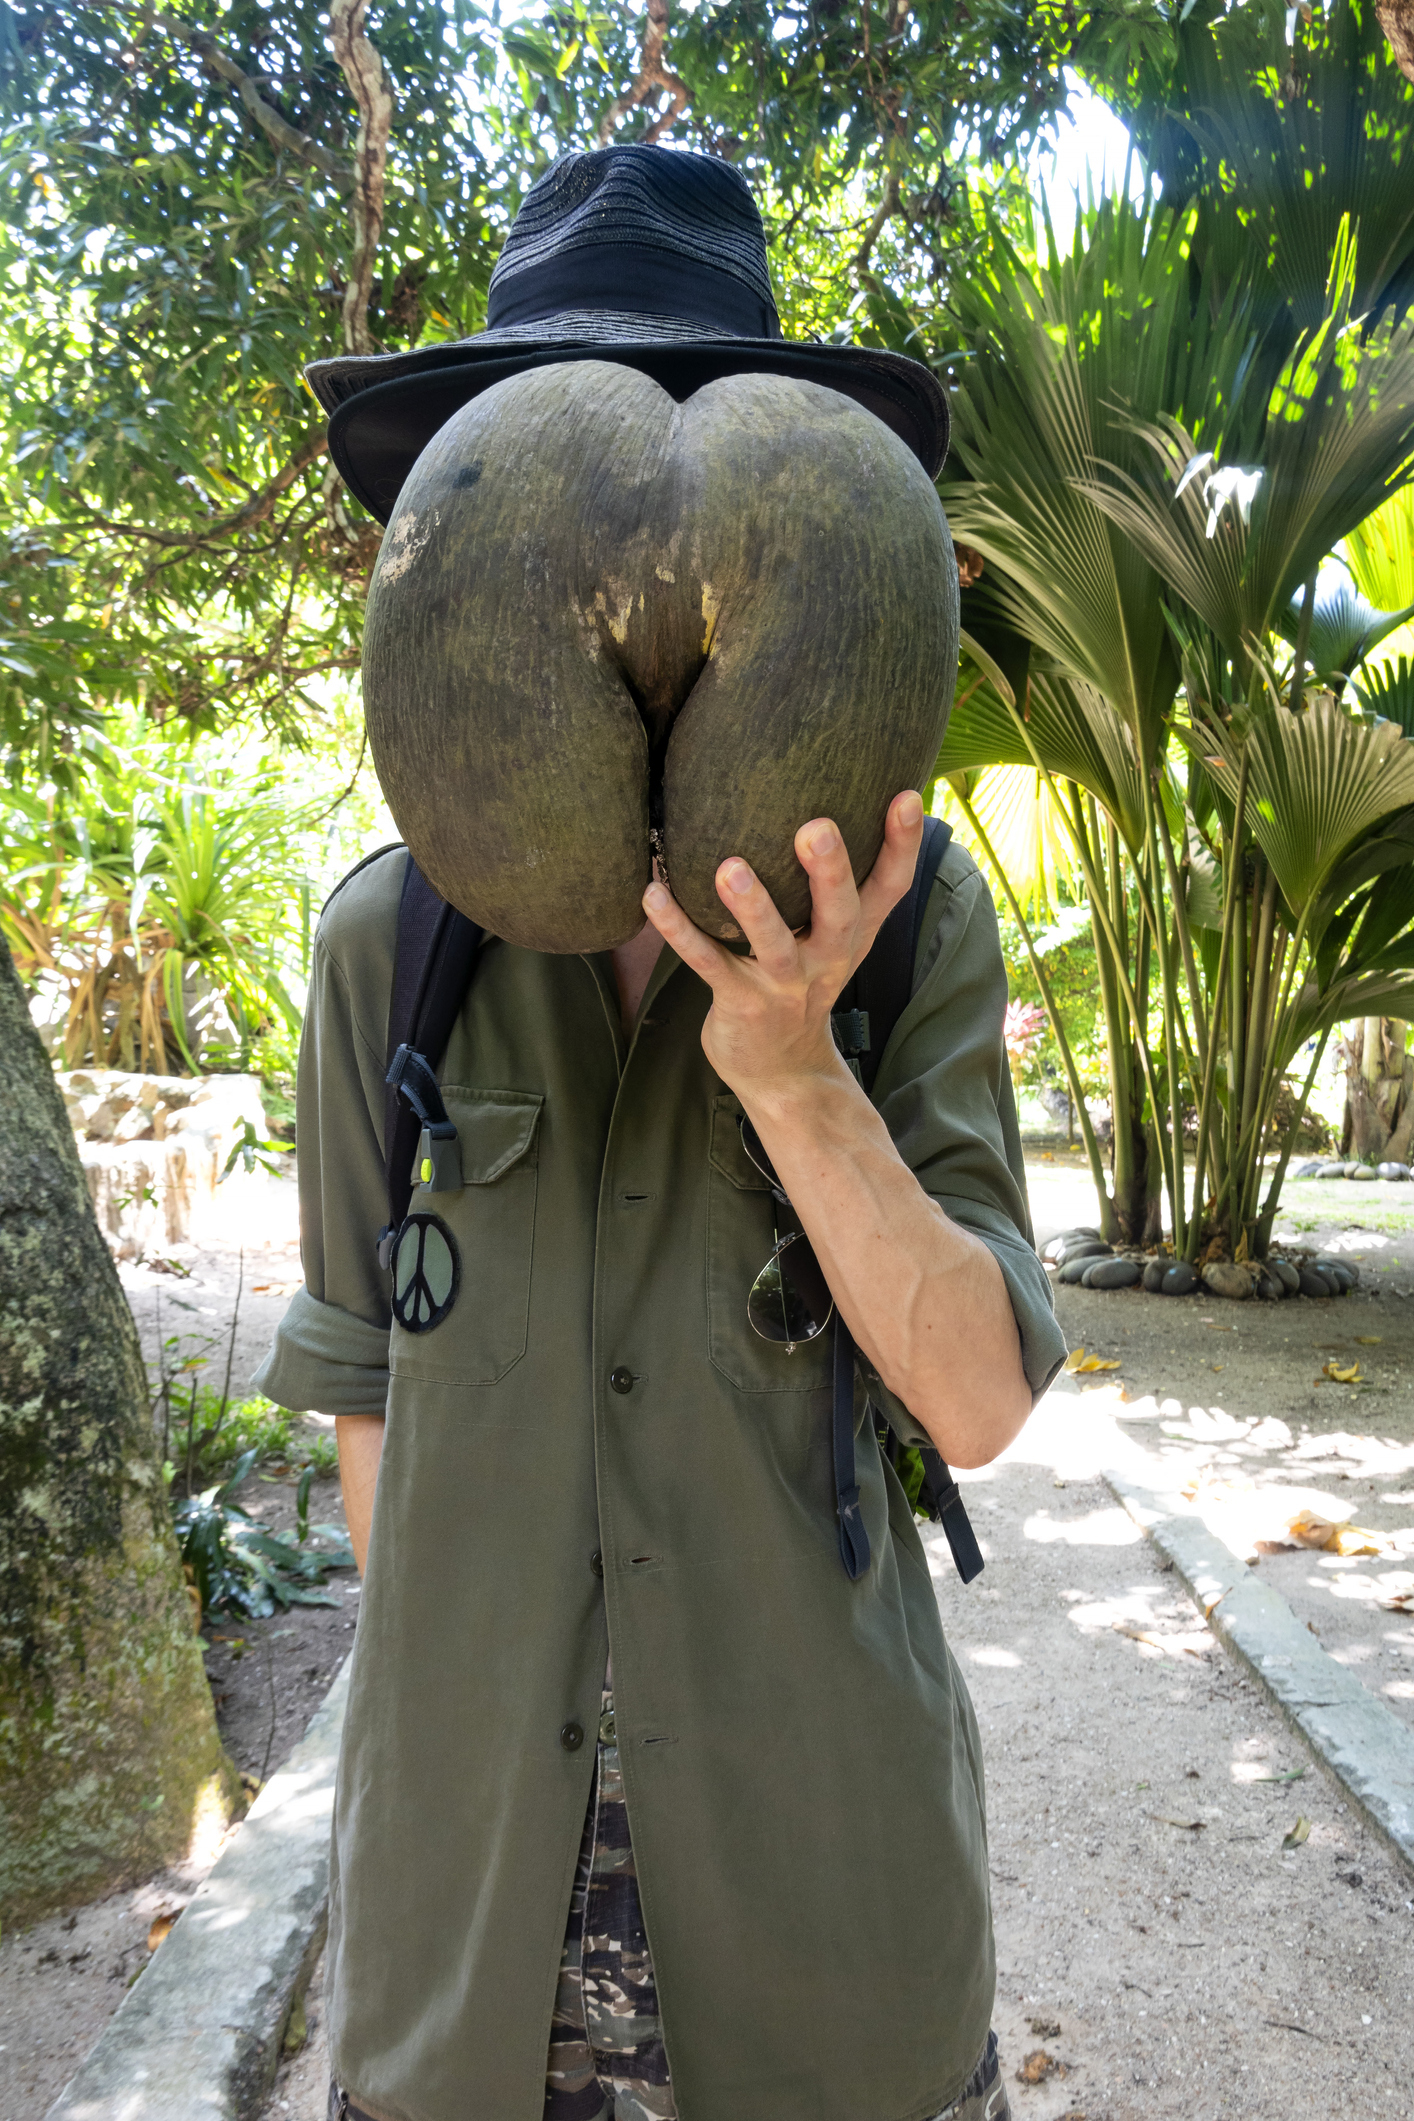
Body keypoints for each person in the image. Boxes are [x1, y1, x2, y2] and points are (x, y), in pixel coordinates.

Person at [258, 144, 1066, 2121]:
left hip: (824, 1934)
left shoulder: (912, 925)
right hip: (471, 1957)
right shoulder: (389, 946)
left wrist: (792, 1064)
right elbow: (377, 1409)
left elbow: (970, 1399)